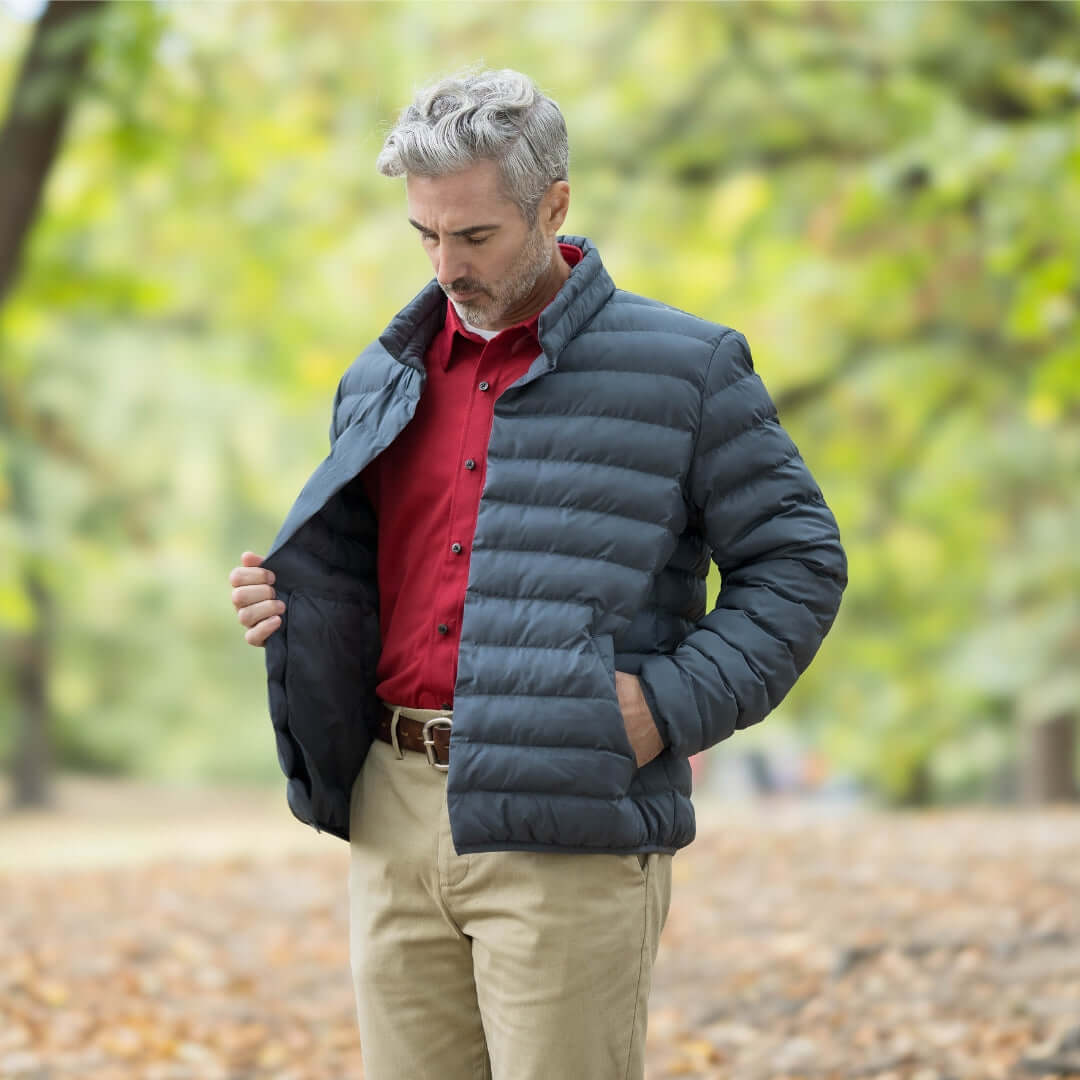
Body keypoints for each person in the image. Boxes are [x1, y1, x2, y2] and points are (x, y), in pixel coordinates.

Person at [228, 68, 846, 1080]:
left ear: (553, 205)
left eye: (474, 237)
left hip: (572, 816)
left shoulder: (686, 369)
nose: (445, 267)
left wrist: (664, 706)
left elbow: (801, 563)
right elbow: (384, 572)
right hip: (393, 811)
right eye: (424, 236)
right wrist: (290, 608)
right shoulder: (382, 374)